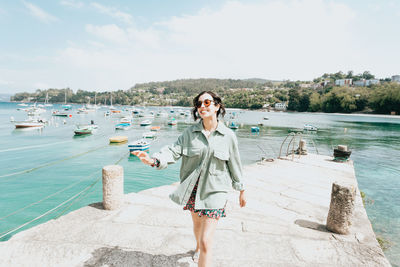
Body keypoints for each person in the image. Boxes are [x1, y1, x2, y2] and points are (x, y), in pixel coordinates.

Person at [132, 91, 246, 266]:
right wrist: (154, 160)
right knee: (197, 225)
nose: (202, 106)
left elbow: (235, 164)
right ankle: (198, 247)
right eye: (198, 103)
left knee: (207, 240)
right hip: (192, 189)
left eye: (207, 102)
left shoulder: (228, 136)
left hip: (216, 191)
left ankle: (202, 248)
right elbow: (173, 151)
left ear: (217, 106)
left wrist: (241, 190)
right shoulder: (189, 133)